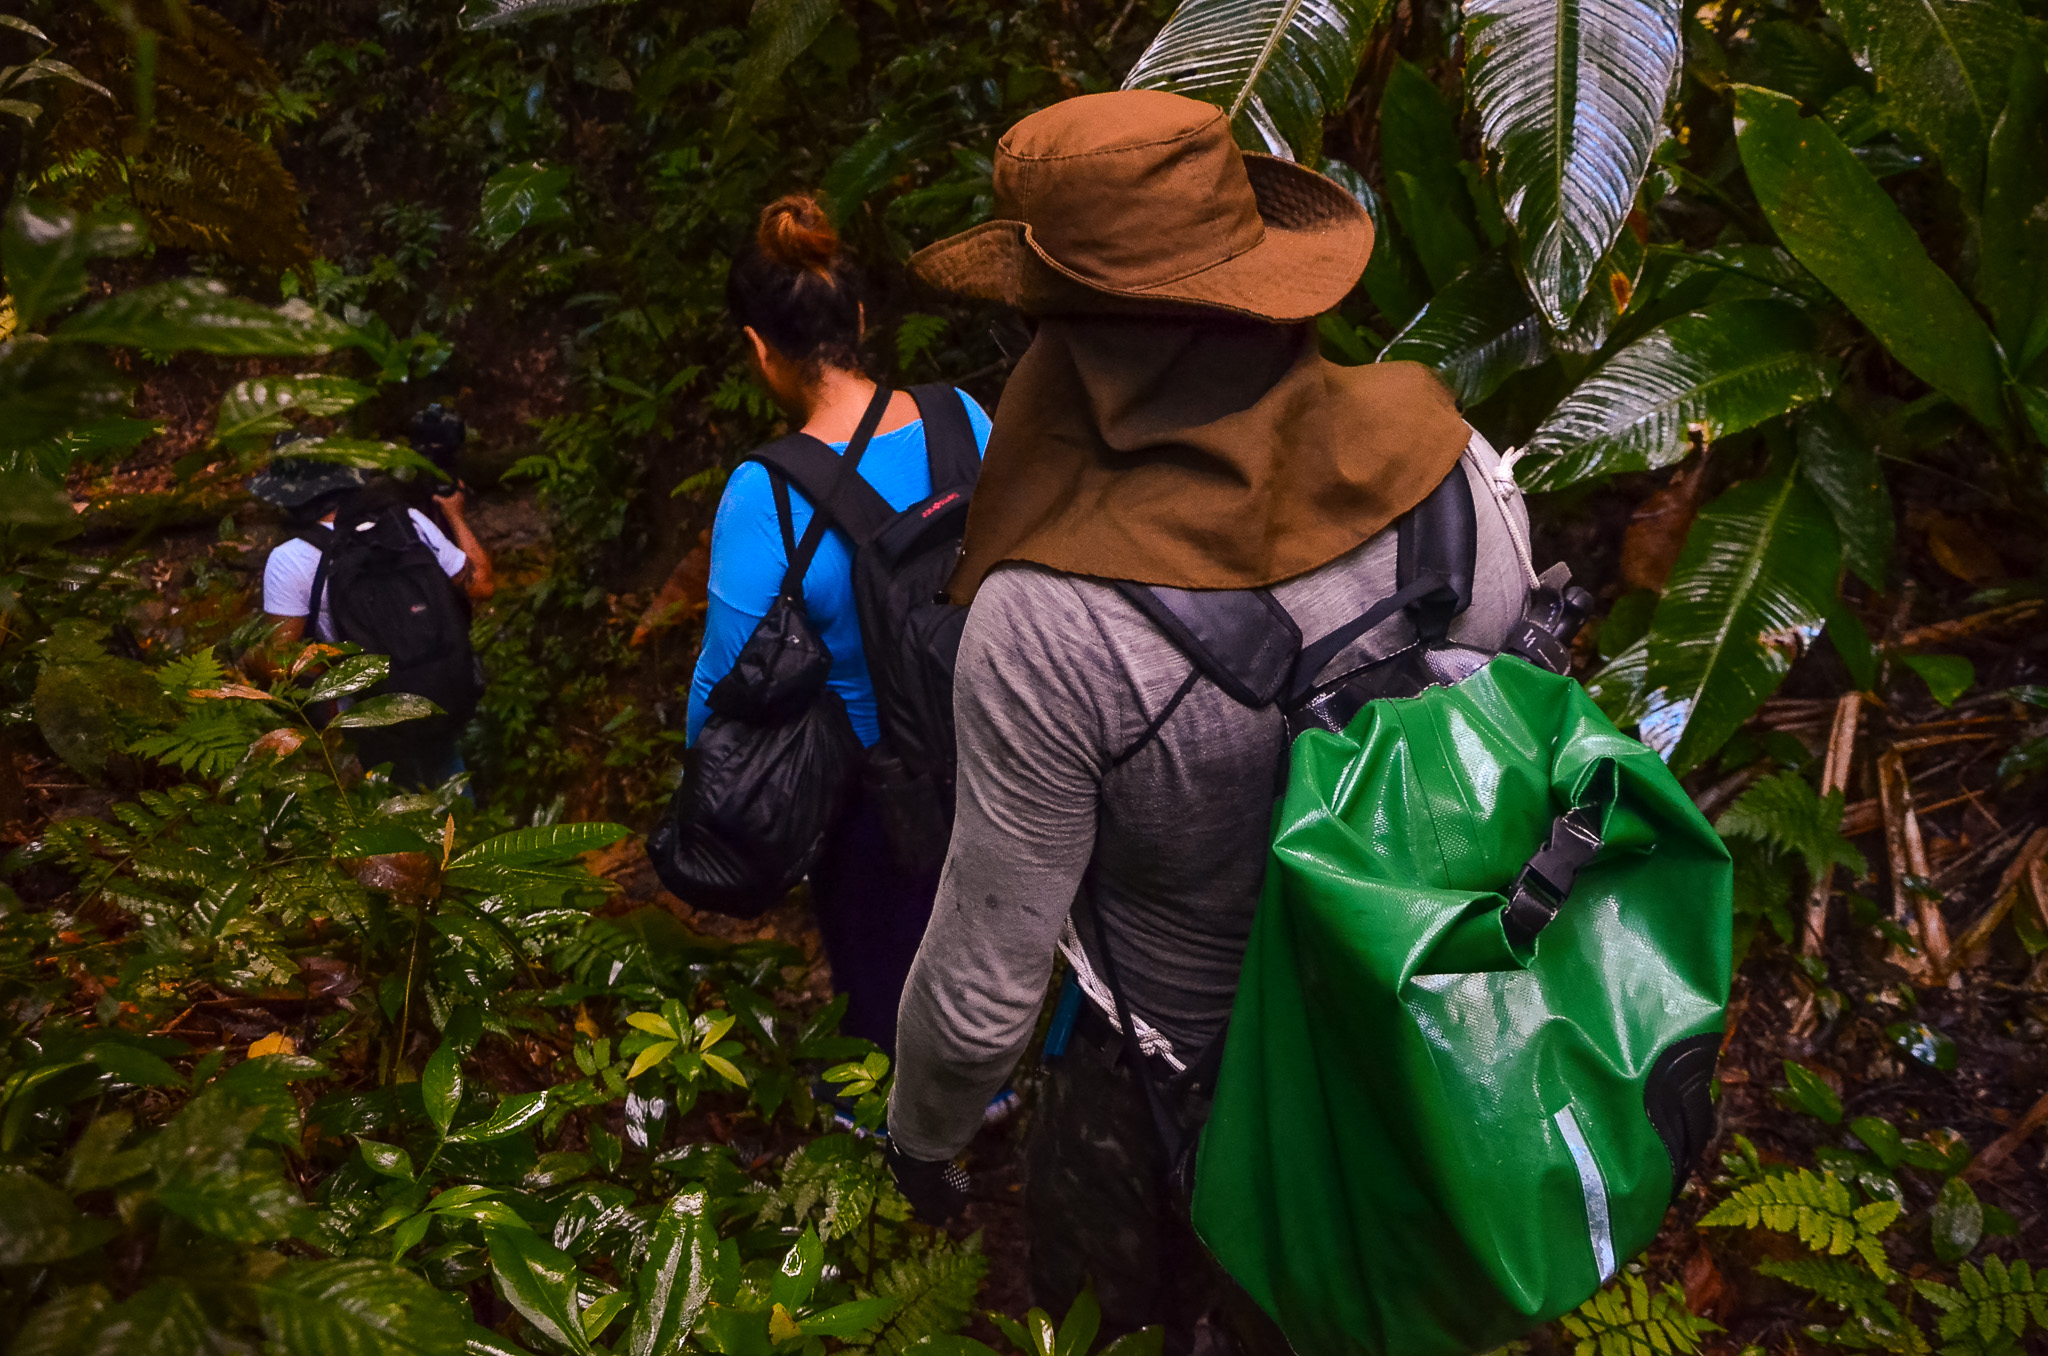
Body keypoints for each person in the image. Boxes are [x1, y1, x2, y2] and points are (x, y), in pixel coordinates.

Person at [883, 91, 1537, 1353]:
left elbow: (984, 984)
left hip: (1194, 1088)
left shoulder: (1048, 623)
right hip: (1453, 1023)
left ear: (1069, 338)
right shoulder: (1453, 465)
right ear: (1262, 287)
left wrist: (923, 1138)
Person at [686, 193, 994, 1060]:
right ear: (859, 316)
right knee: (976, 949)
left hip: (870, 791)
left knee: (877, 968)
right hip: (990, 748)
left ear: (758, 346)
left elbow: (728, 675)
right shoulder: (960, 416)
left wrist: (712, 795)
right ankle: (991, 1089)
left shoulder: (770, 492)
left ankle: (911, 1147)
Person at [250, 441, 493, 787]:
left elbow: (282, 659)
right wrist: (455, 515)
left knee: (391, 810)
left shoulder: (290, 558)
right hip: (439, 690)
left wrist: (252, 661)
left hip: (368, 718)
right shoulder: (406, 521)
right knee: (449, 785)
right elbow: (482, 584)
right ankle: (468, 832)